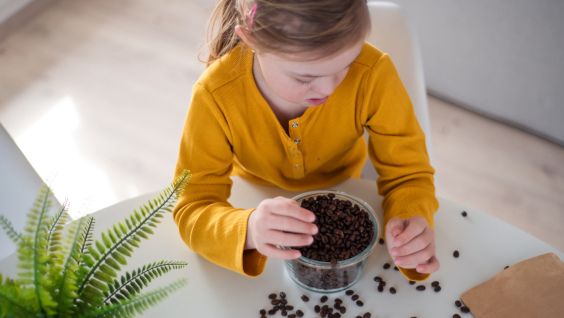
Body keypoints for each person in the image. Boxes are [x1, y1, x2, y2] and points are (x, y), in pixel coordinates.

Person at [173, 0, 439, 282]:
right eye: (305, 77)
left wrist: (412, 218)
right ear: (251, 39)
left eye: (346, 64)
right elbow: (192, 209)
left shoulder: (373, 73)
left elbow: (409, 174)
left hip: (345, 189)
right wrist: (248, 229)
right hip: (249, 195)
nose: (329, 89)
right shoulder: (214, 95)